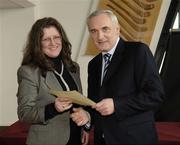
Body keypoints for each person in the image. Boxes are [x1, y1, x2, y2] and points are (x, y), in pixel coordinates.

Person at [71, 9, 165, 145]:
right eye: (94, 31)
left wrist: (117, 105)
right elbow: (95, 103)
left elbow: (156, 95)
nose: (100, 36)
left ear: (117, 29)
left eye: (105, 29)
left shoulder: (138, 51)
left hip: (135, 140)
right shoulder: (94, 64)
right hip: (103, 140)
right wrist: (87, 117)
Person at [16, 17, 89, 145]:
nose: (53, 43)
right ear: (37, 44)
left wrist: (85, 128)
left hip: (76, 138)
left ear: (62, 38)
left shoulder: (73, 67)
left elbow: (79, 103)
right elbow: (24, 113)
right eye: (46, 39)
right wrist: (53, 108)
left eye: (56, 37)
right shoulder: (29, 72)